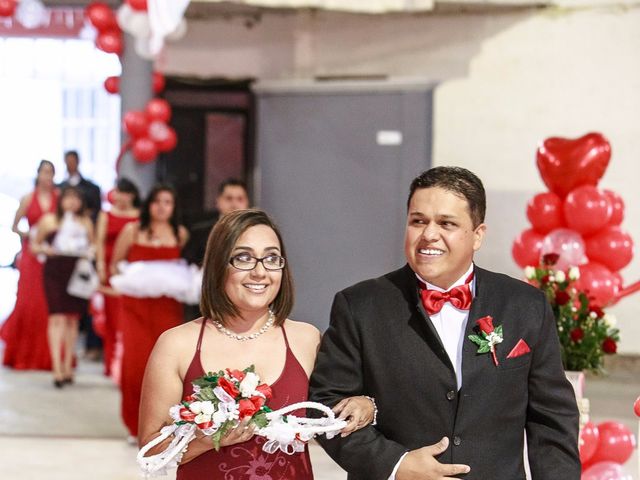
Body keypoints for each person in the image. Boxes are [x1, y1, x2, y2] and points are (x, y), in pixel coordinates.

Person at [309, 166, 580, 479]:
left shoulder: (525, 305)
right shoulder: (360, 306)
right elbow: (326, 407)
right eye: (418, 221)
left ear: (478, 235)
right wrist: (396, 464)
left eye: (446, 223)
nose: (429, 234)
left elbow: (552, 421)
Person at [138, 209, 375, 479]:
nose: (260, 272)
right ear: (218, 264)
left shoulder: (306, 339)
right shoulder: (177, 344)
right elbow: (151, 451)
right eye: (244, 258)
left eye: (271, 258)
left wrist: (365, 405)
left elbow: (331, 417)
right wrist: (207, 440)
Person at [111, 184, 189, 440]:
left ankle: (164, 422)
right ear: (148, 204)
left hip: (167, 309)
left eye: (168, 202)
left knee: (167, 365)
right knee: (135, 364)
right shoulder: (132, 230)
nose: (162, 207)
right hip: (135, 307)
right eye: (157, 201)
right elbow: (115, 266)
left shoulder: (180, 234)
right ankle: (134, 424)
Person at [32, 186, 94, 388]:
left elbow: (94, 247)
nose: (72, 202)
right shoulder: (50, 220)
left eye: (76, 198)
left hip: (76, 272)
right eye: (69, 197)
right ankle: (56, 368)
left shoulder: (85, 222)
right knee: (56, 316)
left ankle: (68, 365)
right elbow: (35, 245)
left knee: (72, 320)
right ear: (61, 200)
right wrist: (45, 249)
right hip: (54, 271)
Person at [1, 160, 58, 370]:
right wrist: (29, 235)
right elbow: (15, 226)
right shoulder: (28, 198)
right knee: (28, 301)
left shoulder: (58, 199)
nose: (47, 176)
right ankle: (22, 353)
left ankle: (48, 355)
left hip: (52, 256)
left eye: (50, 172)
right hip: (32, 256)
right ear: (38, 174)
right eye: (44, 172)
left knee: (48, 304)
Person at [58, 150, 103, 360]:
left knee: (80, 310)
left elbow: (94, 231)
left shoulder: (91, 189)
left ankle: (81, 350)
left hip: (81, 260)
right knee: (59, 314)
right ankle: (60, 359)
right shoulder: (58, 190)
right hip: (59, 263)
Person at [95, 178, 140, 377]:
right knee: (111, 318)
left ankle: (126, 360)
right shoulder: (106, 214)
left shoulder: (139, 216)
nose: (121, 197)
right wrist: (100, 265)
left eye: (125, 193)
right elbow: (99, 241)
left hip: (130, 271)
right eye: (118, 192)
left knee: (127, 316)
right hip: (109, 269)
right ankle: (110, 361)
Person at [182, 178, 250, 267]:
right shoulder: (199, 233)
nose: (234, 204)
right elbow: (187, 265)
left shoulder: (255, 233)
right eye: (229, 198)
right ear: (218, 201)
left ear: (247, 203)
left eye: (240, 199)